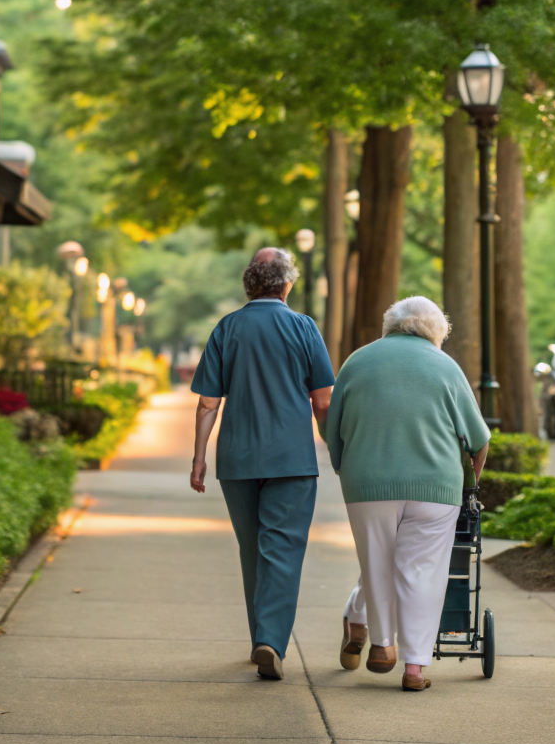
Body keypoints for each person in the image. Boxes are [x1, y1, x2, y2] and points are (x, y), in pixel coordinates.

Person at [325, 295, 489, 692]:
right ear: (437, 332)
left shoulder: (357, 361)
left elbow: (332, 431)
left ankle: (381, 645)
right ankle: (414, 668)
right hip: (436, 487)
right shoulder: (445, 367)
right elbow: (479, 439)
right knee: (422, 574)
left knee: (377, 563)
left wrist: (347, 467)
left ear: (390, 325)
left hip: (367, 483)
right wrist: (470, 481)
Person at [190, 248, 335, 680]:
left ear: (248, 284)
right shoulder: (304, 327)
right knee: (283, 550)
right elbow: (323, 400)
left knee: (253, 549)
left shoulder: (228, 327)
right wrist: (336, 447)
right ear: (287, 284)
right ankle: (270, 640)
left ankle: (260, 638)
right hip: (291, 458)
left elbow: (207, 404)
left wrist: (199, 458)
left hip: (236, 458)